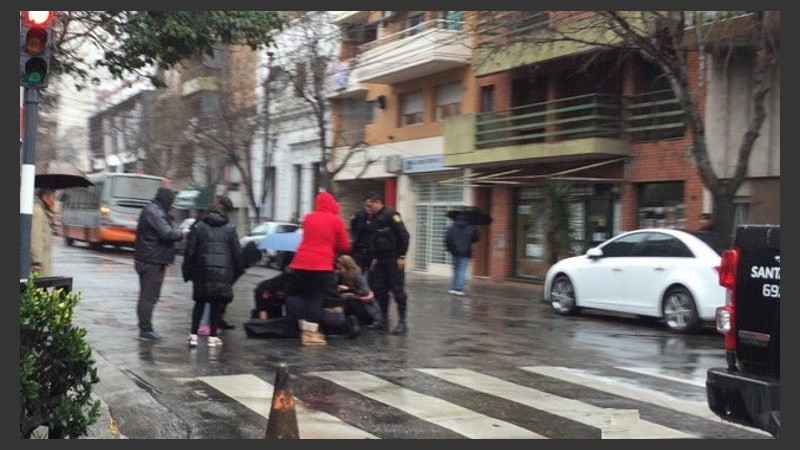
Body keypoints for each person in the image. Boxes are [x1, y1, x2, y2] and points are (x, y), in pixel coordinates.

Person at [288, 191, 352, 346]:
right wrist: (333, 248)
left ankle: (305, 330)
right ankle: (310, 334)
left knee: (306, 297)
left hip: (300, 263)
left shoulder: (308, 218)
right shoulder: (336, 220)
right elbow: (345, 245)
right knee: (317, 298)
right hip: (321, 265)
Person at [181, 196, 245, 347]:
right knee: (216, 304)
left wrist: (187, 272)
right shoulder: (230, 229)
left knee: (200, 303)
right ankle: (212, 336)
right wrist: (235, 272)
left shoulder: (198, 227)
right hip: (222, 272)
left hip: (201, 271)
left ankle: (194, 335)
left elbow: (190, 253)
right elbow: (237, 254)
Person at [134, 186, 187, 341]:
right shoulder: (154, 212)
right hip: (152, 260)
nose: (172, 204)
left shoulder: (153, 210)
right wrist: (183, 234)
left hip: (149, 258)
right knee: (148, 296)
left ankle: (145, 327)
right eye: (171, 201)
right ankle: (146, 330)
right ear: (166, 200)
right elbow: (167, 234)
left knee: (146, 295)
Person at [362, 192, 410, 335]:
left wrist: (401, 256)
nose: (368, 209)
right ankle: (382, 321)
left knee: (397, 290)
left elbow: (404, 235)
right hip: (380, 260)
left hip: (394, 258)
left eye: (370, 205)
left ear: (378, 202)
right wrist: (373, 257)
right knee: (379, 290)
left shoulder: (391, 215)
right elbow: (374, 240)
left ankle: (402, 322)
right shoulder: (373, 218)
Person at [335, 254, 383, 328]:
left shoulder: (357, 274)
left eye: (340, 268)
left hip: (362, 303)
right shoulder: (340, 275)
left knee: (347, 299)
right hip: (353, 298)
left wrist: (349, 289)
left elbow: (365, 292)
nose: (338, 270)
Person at [444, 213, 480, 296]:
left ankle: (453, 288)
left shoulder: (452, 227)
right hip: (466, 252)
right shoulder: (471, 227)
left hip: (454, 252)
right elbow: (476, 239)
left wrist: (450, 249)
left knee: (455, 269)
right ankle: (459, 289)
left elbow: (447, 238)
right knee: (462, 270)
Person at [30, 188, 57, 277]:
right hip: (39, 264)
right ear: (45, 197)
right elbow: (35, 237)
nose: (54, 201)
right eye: (53, 198)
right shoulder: (37, 211)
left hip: (42, 261)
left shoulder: (42, 211)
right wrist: (36, 262)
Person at [349, 204, 371, 273]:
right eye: (367, 206)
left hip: (371, 250)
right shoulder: (358, 215)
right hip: (358, 248)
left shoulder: (377, 217)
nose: (368, 208)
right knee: (357, 271)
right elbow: (353, 227)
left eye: (370, 206)